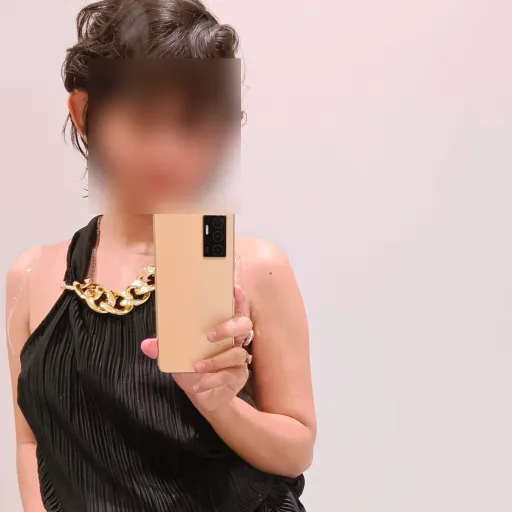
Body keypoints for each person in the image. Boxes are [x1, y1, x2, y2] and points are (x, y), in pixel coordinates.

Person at [6, 1, 316, 511]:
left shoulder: (256, 268)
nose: (168, 150)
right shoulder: (33, 275)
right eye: (142, 118)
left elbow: (296, 449)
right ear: (84, 114)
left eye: (192, 122)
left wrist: (220, 404)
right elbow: (31, 442)